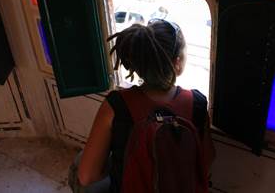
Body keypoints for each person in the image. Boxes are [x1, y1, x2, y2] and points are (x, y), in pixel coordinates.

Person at [72, 19, 215, 193]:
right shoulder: (197, 103)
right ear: (177, 63)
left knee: (79, 165)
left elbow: (87, 176)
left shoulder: (116, 105)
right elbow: (206, 161)